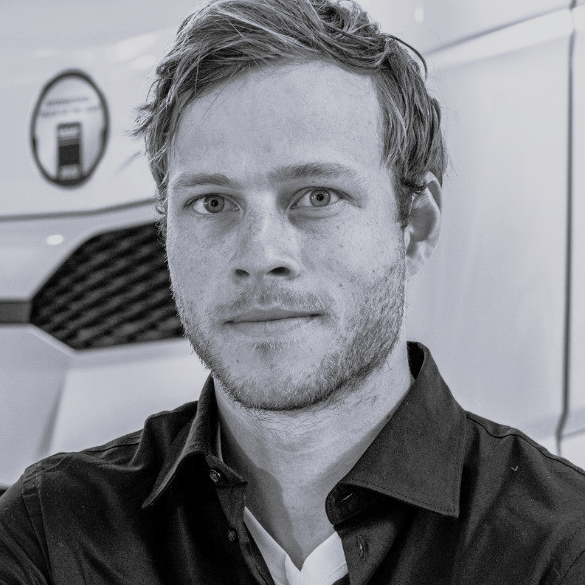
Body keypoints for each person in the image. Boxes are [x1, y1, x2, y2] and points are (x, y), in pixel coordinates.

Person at [1, 0, 585, 582]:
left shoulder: (560, 548)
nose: (260, 256)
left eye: (317, 197)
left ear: (415, 225)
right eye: (213, 203)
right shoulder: (51, 537)